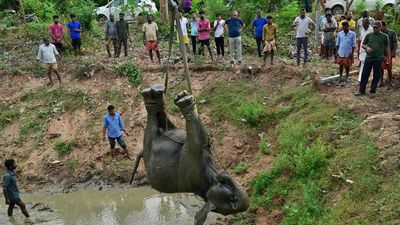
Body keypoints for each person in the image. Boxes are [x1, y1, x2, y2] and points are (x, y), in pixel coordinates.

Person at [357, 21, 390, 98]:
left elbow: (387, 47)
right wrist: (367, 48)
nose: (374, 29)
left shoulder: (384, 36)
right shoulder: (369, 35)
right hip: (369, 58)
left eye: (376, 27)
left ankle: (373, 91)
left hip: (378, 58)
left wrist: (388, 58)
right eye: (374, 27)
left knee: (376, 75)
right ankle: (362, 90)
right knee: (365, 74)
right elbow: (363, 45)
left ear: (380, 28)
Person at [380, 21, 397, 87]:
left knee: (389, 67)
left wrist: (393, 53)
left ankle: (390, 82)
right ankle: (381, 81)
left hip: (389, 53)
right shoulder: (380, 33)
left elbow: (395, 43)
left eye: (381, 27)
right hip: (381, 53)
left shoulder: (392, 33)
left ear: (384, 26)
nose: (380, 29)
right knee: (380, 68)